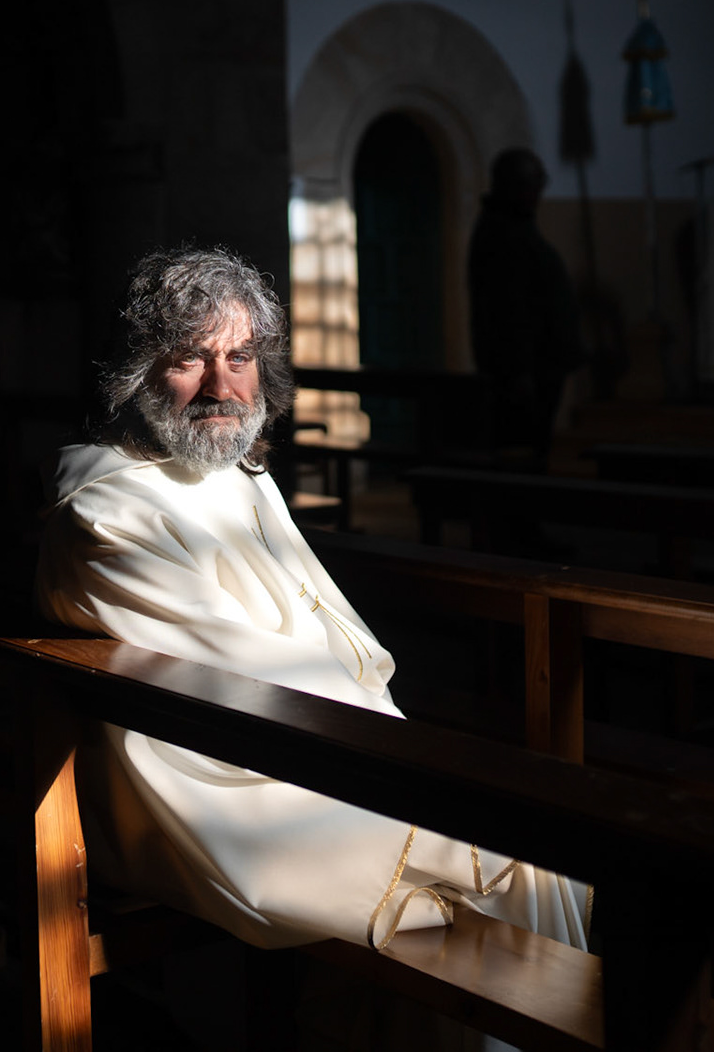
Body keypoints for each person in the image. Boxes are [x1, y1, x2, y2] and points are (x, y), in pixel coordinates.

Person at [35, 247, 591, 954]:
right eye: (188, 359)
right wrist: (410, 757)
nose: (221, 386)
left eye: (239, 357)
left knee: (531, 841)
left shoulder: (231, 472)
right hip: (221, 791)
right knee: (530, 847)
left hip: (296, 747)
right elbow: (235, 684)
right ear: (133, 371)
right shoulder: (109, 513)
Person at [467, 148, 584, 467]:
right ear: (512, 185)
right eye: (535, 183)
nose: (539, 192)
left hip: (535, 368)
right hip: (523, 373)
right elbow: (509, 310)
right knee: (521, 457)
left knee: (531, 452)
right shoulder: (502, 232)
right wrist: (519, 371)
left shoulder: (512, 226)